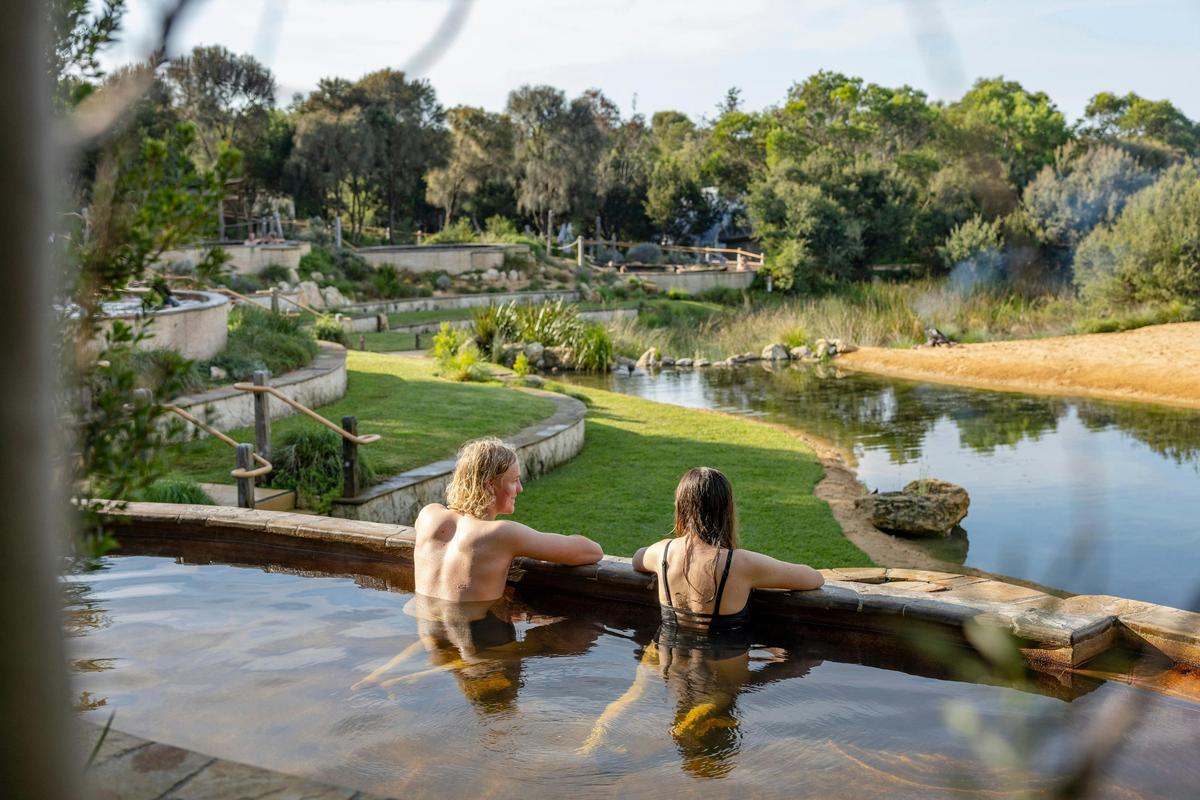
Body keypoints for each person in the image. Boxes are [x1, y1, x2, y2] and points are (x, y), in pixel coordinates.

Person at [632, 466, 824, 636]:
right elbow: (814, 578)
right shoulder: (741, 564)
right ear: (726, 510)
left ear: (680, 507)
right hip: (726, 675)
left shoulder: (662, 552)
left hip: (671, 671)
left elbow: (637, 559)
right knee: (804, 660)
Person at [414, 437, 603, 602]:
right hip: (475, 637)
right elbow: (592, 552)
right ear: (490, 485)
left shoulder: (428, 516)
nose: (520, 489)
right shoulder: (502, 534)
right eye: (514, 481)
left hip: (427, 635)